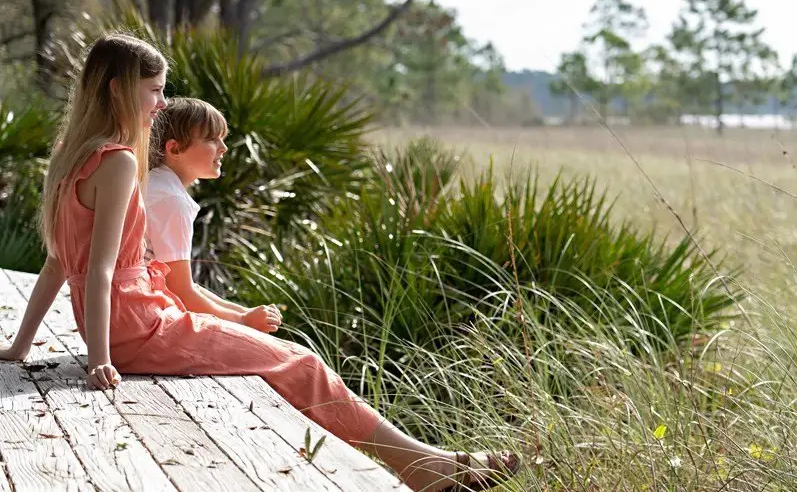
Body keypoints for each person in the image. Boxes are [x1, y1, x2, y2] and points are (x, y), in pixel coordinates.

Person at [0, 34, 519, 492]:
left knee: (289, 359)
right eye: (154, 90)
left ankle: (426, 462)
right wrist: (101, 359)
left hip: (134, 323)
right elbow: (101, 271)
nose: (162, 103)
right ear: (118, 89)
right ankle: (426, 466)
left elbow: (57, 264)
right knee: (300, 362)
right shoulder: (116, 161)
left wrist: (22, 347)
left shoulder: (73, 155)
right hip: (140, 327)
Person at [142, 96, 281, 335]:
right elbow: (181, 292)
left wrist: (244, 312)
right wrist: (243, 321)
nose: (223, 148)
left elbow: (185, 285)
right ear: (174, 148)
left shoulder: (156, 185)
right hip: (145, 321)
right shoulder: (170, 200)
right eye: (211, 139)